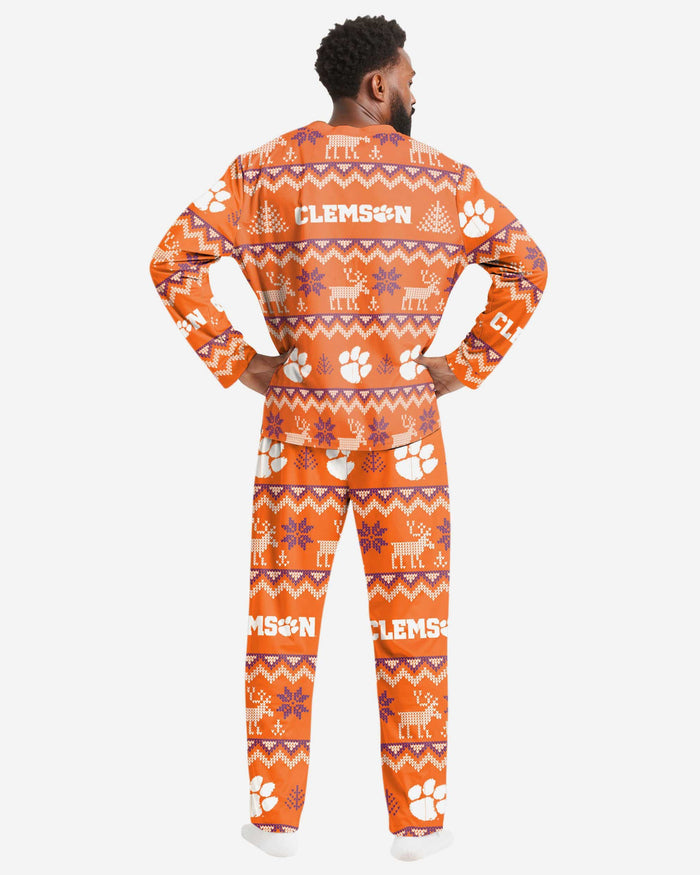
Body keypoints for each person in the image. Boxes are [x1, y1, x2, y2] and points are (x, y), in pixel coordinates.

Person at [148, 14, 547, 862]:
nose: (415, 91)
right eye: (409, 78)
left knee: (281, 622)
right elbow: (528, 265)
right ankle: (419, 825)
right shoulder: (445, 180)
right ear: (377, 84)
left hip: (298, 427)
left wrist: (239, 360)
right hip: (406, 433)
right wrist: (463, 365)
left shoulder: (264, 170)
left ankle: (273, 820)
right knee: (413, 631)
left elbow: (171, 259)